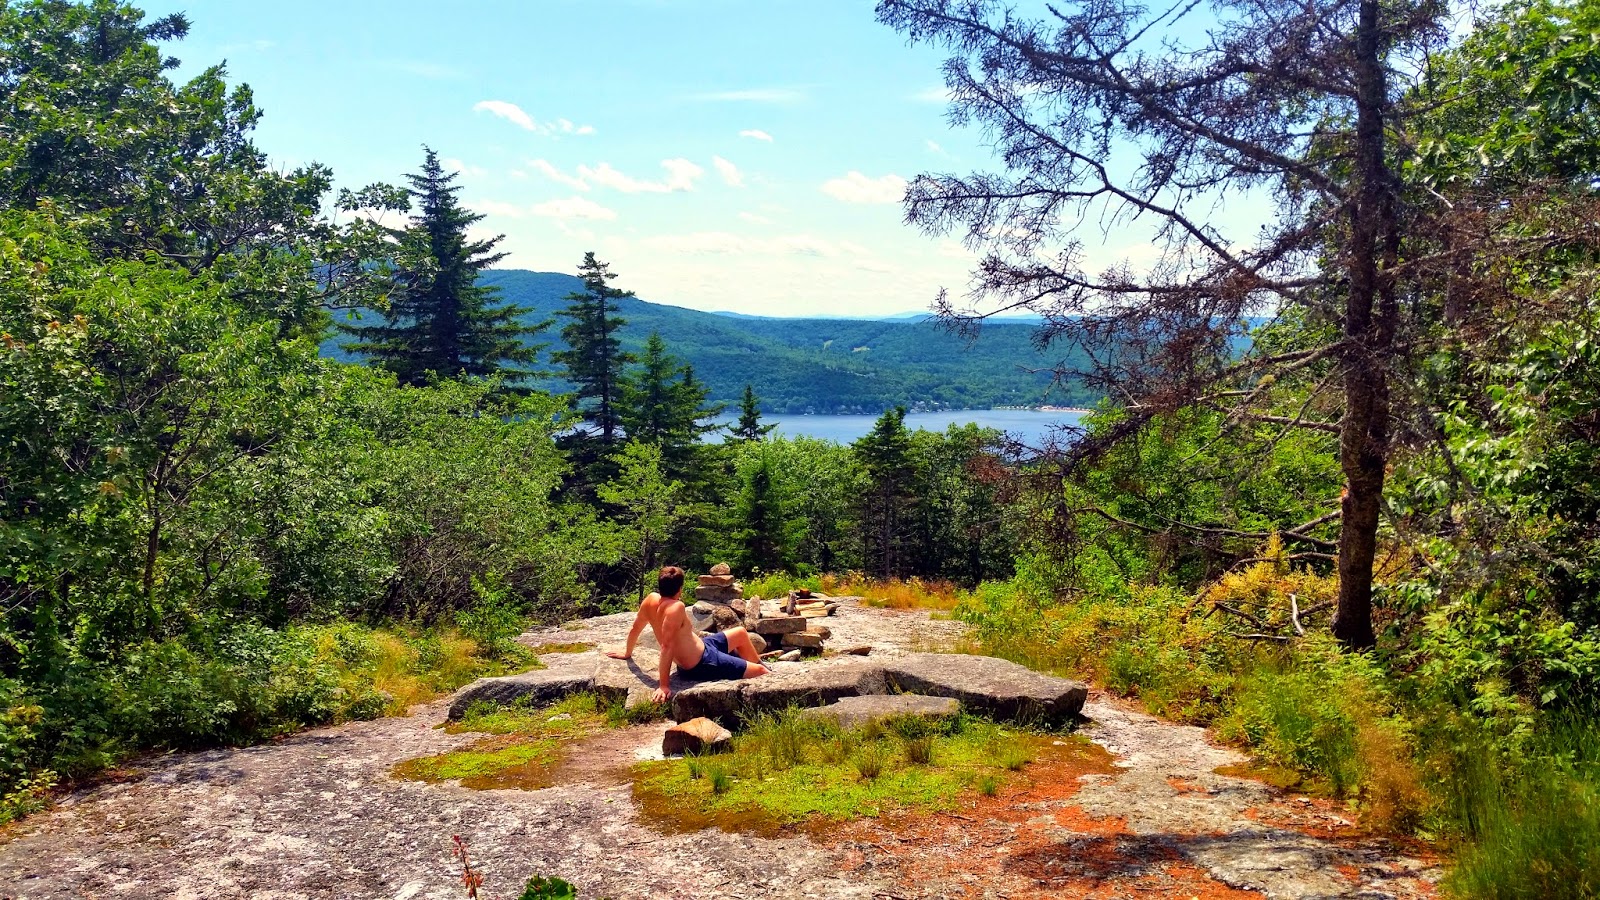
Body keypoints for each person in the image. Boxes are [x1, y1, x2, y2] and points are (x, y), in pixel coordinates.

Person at [606, 565, 769, 703]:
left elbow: (636, 628)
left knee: (740, 633)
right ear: (680, 589)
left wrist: (627, 652)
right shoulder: (676, 607)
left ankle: (758, 667)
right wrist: (664, 685)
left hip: (705, 646)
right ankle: (765, 676)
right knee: (761, 673)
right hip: (702, 663)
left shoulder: (650, 600)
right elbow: (666, 646)